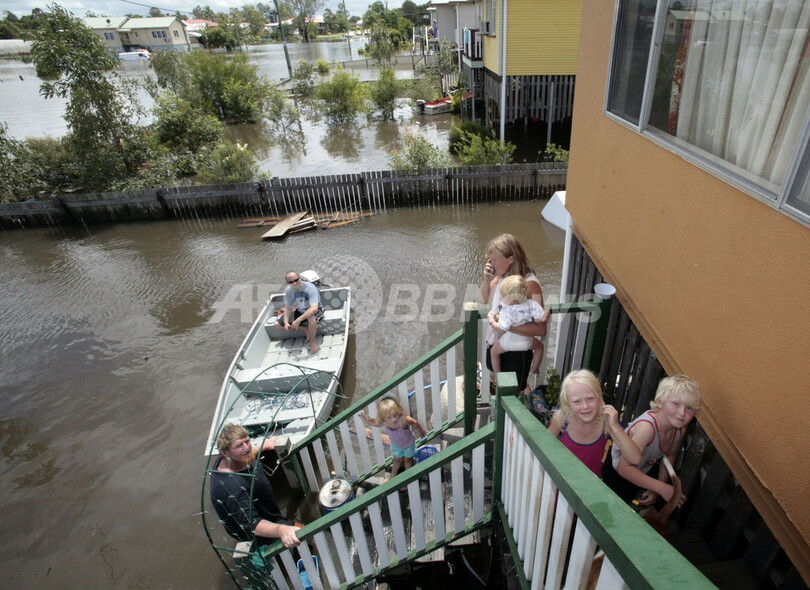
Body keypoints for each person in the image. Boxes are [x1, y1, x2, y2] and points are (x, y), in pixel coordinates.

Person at [602, 375, 701, 508]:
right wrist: (661, 487)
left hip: (642, 468)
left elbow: (670, 456)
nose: (682, 413)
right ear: (660, 402)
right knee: (614, 506)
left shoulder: (679, 429)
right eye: (676, 404)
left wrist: (656, 489)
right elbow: (623, 468)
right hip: (618, 472)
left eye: (689, 408)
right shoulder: (647, 429)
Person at [210, 423, 302, 549]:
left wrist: (263, 446)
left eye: (247, 441)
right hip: (261, 532)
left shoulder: (231, 459)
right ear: (225, 454)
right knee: (308, 532)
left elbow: (246, 452)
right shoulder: (232, 488)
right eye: (239, 446)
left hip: (267, 510)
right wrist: (282, 530)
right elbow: (252, 524)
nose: (246, 448)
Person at [479, 234, 547, 393]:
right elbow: (484, 299)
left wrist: (505, 326)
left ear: (510, 259)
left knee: (514, 392)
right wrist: (486, 280)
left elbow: (540, 329)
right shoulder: (502, 276)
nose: (491, 263)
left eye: (494, 259)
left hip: (516, 351)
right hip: (497, 343)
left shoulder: (530, 284)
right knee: (500, 384)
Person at [548, 369, 641, 477]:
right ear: (568, 403)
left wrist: (615, 426)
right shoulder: (562, 420)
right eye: (577, 401)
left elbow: (635, 458)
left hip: (589, 487)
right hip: (559, 483)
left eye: (590, 398)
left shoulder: (605, 423)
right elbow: (544, 447)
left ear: (600, 396)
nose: (585, 406)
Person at [487, 275, 550, 375]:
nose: (501, 297)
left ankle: (498, 375)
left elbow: (502, 329)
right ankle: (534, 368)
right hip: (526, 342)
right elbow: (543, 317)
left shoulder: (506, 311)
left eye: (503, 295)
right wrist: (547, 310)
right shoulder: (531, 304)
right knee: (540, 347)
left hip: (507, 343)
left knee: (494, 353)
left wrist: (491, 320)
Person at [359, 398, 427, 484]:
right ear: (384, 418)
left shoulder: (403, 420)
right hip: (396, 445)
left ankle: (407, 479)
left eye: (395, 415)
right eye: (389, 417)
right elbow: (375, 422)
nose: (393, 419)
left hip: (408, 444)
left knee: (408, 460)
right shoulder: (385, 422)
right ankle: (392, 477)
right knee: (396, 460)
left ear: (398, 412)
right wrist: (365, 419)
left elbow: (414, 422)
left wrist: (421, 431)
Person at [277, 271, 324, 354]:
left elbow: (314, 308)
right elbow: (288, 308)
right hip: (300, 310)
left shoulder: (310, 288)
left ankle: (312, 342)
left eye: (296, 280)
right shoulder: (289, 291)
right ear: (287, 283)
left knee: (311, 318)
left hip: (315, 310)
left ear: (300, 278)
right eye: (291, 282)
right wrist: (286, 322)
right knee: (277, 325)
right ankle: (305, 330)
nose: (294, 283)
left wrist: (298, 320)